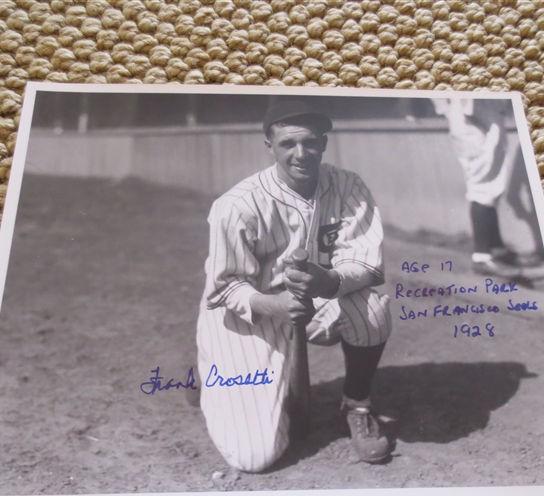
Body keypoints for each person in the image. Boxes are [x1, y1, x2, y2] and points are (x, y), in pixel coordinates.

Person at [196, 100, 392, 473]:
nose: (300, 154)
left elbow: (366, 262)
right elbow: (223, 289)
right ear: (269, 146)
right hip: (249, 313)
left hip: (320, 300)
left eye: (310, 143)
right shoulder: (237, 205)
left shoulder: (349, 186)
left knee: (372, 308)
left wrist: (330, 279)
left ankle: (357, 405)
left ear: (323, 143)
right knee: (254, 458)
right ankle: (213, 380)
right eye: (288, 144)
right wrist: (275, 306)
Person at [432, 98, 522, 277]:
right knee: (483, 187)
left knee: (491, 185)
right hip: (475, 119)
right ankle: (482, 257)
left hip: (477, 117)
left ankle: (496, 248)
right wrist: (453, 111)